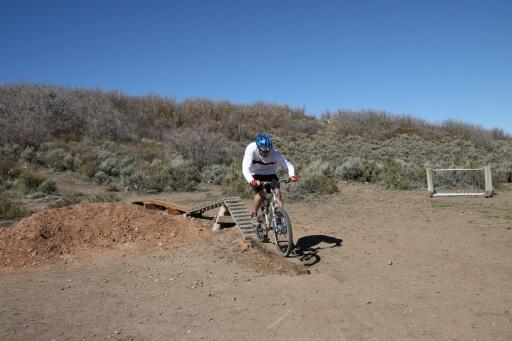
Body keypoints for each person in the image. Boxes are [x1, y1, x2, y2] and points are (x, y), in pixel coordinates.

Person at [242, 134, 298, 222]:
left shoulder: (274, 153)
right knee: (262, 193)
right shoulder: (251, 149)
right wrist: (251, 180)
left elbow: (287, 165)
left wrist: (292, 175)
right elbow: (245, 168)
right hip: (255, 174)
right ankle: (254, 214)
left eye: (267, 151)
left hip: (270, 173)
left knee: (277, 192)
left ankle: (279, 215)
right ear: (258, 147)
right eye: (263, 151)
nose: (266, 153)